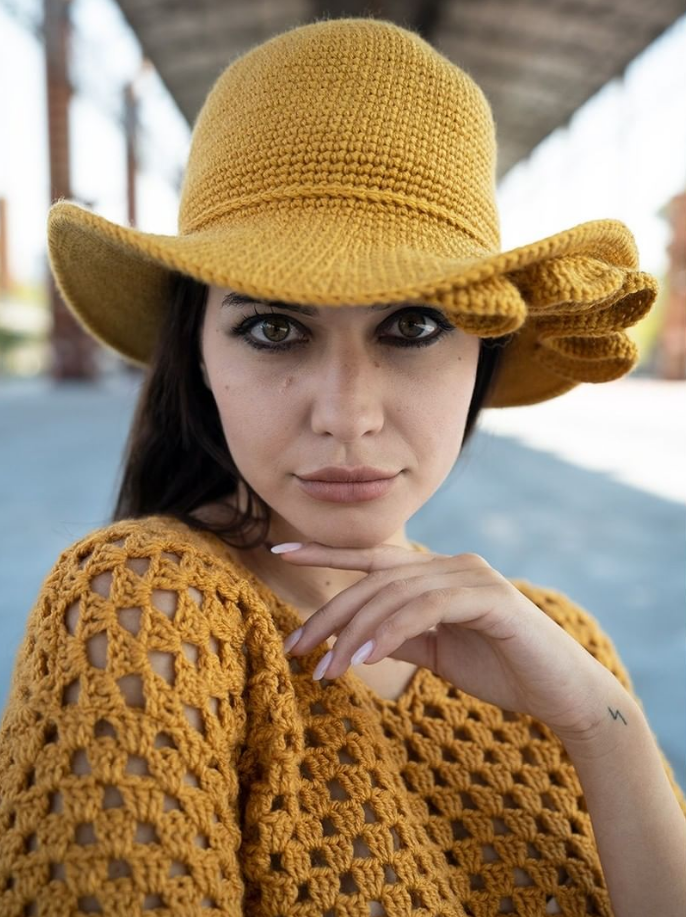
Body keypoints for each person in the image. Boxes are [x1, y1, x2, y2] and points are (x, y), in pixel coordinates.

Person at [1, 16, 684, 917]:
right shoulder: (146, 605)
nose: (347, 413)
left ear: (483, 353)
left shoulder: (563, 643)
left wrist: (605, 726)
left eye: (413, 326)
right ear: (197, 352)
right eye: (274, 328)